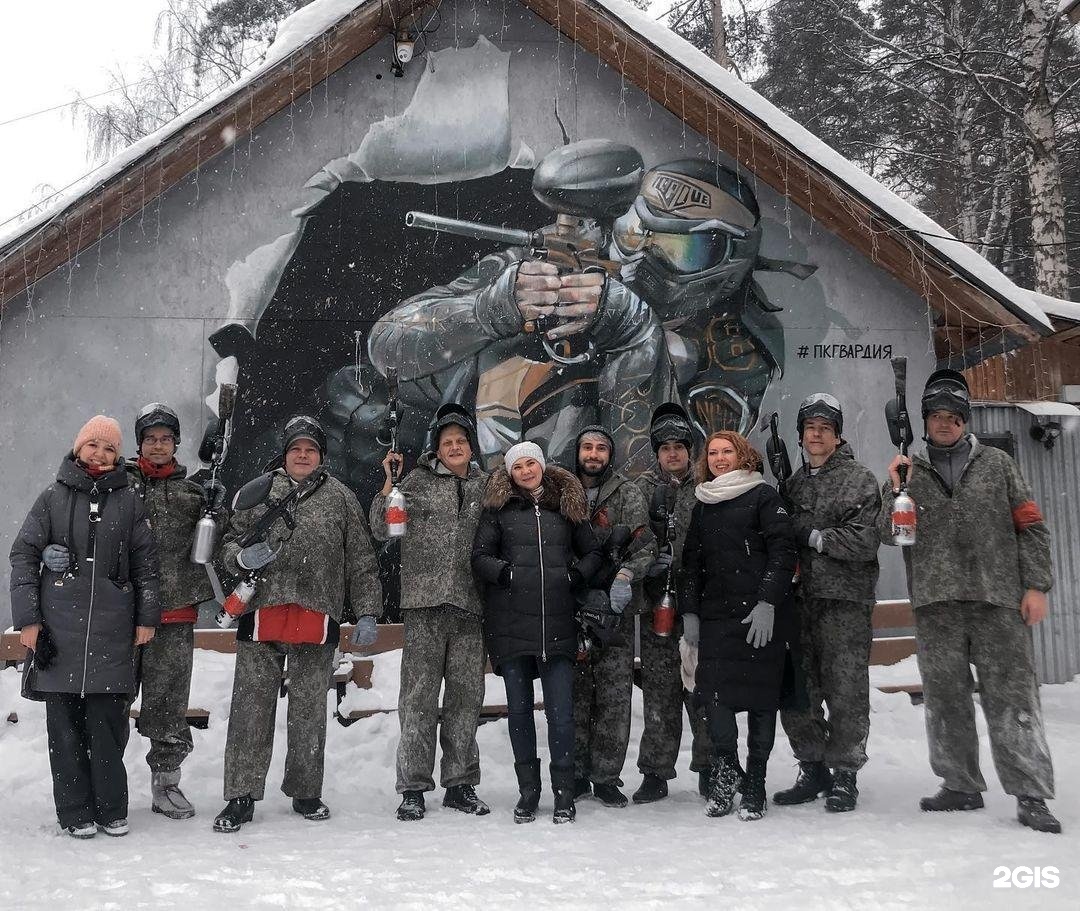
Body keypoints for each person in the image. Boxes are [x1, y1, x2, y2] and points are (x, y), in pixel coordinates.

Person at [879, 370, 1060, 833]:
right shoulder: (909, 471)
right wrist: (894, 487)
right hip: (937, 603)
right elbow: (888, 534)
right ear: (925, 422)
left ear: (965, 421)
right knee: (945, 700)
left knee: (1012, 698)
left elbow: (1030, 525)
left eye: (953, 417)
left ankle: (1031, 792)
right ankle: (959, 785)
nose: (945, 424)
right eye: (937, 417)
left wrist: (1036, 584)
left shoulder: (998, 465)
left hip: (996, 601)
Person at [213, 415, 380, 833]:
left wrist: (367, 611)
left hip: (316, 618)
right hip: (262, 614)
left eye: (310, 449)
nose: (302, 455)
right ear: (285, 454)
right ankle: (240, 795)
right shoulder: (260, 491)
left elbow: (360, 558)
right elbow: (228, 543)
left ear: (321, 456)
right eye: (295, 449)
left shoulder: (341, 497)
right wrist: (239, 558)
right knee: (251, 711)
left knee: (308, 712)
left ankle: (306, 791)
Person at [10, 415, 160, 838]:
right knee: (65, 731)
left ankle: (112, 809)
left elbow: (146, 567)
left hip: (113, 634)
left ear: (118, 457)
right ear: (78, 448)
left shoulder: (130, 503)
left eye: (109, 448)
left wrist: (147, 617)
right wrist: (28, 620)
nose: (99, 454)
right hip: (59, 632)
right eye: (92, 445)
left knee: (108, 726)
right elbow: (23, 556)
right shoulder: (51, 498)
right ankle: (75, 813)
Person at [369, 404, 491, 821]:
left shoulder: (489, 486)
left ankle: (461, 784)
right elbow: (381, 528)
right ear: (436, 449)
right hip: (424, 606)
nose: (454, 447)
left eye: (460, 441)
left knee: (465, 700)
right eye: (446, 443)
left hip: (471, 607)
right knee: (418, 700)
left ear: (471, 447)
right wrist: (389, 484)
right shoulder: (415, 482)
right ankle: (413, 788)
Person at [472, 442, 603, 824]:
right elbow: (480, 557)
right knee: (520, 712)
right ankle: (528, 792)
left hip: (557, 625)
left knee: (561, 715)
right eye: (518, 467)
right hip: (512, 626)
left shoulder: (566, 505)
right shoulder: (498, 510)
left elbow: (593, 553)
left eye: (532, 463)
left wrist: (575, 576)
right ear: (510, 473)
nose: (526, 471)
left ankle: (564, 793)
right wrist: (508, 573)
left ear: (542, 466)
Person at [679, 430, 797, 820]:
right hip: (717, 620)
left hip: (758, 618)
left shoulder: (764, 496)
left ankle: (757, 783)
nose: (719, 458)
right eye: (712, 453)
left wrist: (767, 601)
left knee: (762, 703)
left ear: (743, 455)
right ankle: (728, 773)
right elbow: (691, 564)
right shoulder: (704, 503)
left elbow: (783, 552)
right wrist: (690, 614)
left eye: (727, 451)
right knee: (716, 703)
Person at [774, 393, 881, 813]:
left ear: (837, 435)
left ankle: (845, 774)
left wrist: (816, 537)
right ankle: (812, 766)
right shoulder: (793, 484)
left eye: (825, 428)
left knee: (846, 691)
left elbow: (866, 538)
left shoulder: (859, 479)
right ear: (800, 436)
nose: (816, 435)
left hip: (844, 602)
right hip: (800, 602)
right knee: (799, 690)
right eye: (810, 428)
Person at [125, 403, 227, 820]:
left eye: (166, 438)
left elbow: (214, 546)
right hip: (124, 616)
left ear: (177, 443)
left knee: (168, 705)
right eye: (150, 439)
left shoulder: (193, 493)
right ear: (139, 445)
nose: (158, 445)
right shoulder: (120, 488)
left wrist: (217, 512)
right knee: (112, 702)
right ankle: (106, 783)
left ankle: (166, 786)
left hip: (174, 615)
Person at [570, 425, 656, 808]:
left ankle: (605, 776)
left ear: (610, 454)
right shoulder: (561, 491)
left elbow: (645, 545)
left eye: (600, 448)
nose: (593, 454)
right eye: (587, 447)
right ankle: (573, 775)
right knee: (574, 696)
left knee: (614, 697)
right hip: (572, 610)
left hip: (617, 613)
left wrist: (625, 575)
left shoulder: (628, 492)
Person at [634, 404, 712, 802]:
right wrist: (649, 560)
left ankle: (709, 766)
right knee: (660, 692)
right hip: (656, 608)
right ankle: (655, 772)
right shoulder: (643, 488)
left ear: (690, 449)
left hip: (701, 606)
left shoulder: (707, 487)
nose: (672, 454)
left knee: (701, 690)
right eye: (664, 448)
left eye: (679, 446)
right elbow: (632, 535)